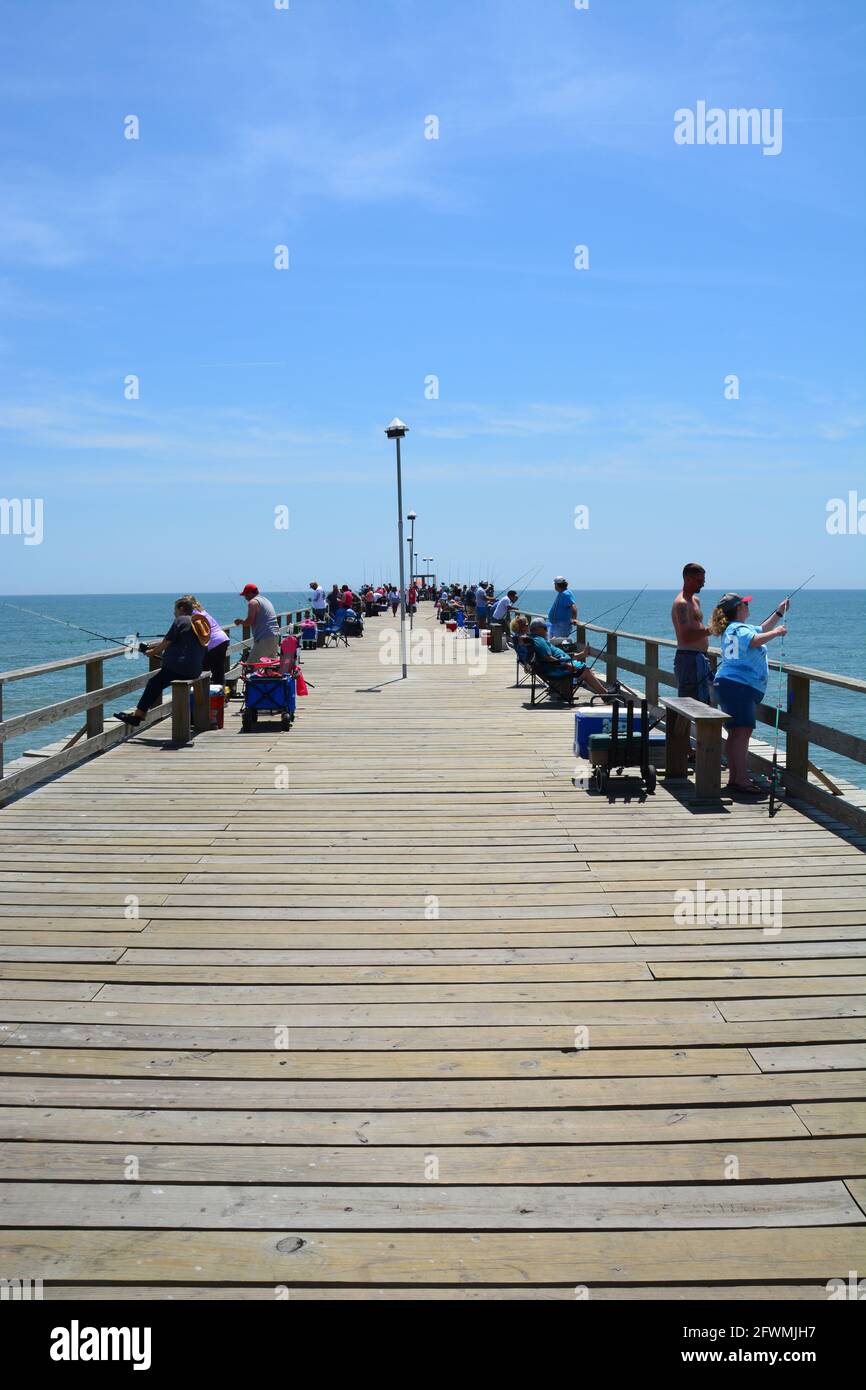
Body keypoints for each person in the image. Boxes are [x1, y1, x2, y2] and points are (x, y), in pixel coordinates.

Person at [709, 593, 788, 797]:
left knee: (736, 733)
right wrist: (778, 632)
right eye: (745, 603)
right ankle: (741, 780)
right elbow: (755, 640)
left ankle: (735, 778)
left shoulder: (734, 628)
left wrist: (779, 612)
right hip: (739, 686)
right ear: (738, 608)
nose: (747, 605)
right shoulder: (739, 629)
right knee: (742, 733)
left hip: (730, 686)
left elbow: (761, 629)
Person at [116, 598, 205, 726]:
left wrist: (151, 653)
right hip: (195, 669)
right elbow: (172, 641)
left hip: (180, 669)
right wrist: (153, 649)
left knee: (154, 683)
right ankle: (141, 713)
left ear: (181, 609)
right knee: (158, 682)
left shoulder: (180, 620)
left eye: (174, 609)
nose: (173, 612)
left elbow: (167, 641)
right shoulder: (195, 622)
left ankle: (139, 715)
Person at [527, 617, 611, 698]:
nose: (547, 630)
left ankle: (605, 692)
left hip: (555, 666)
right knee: (586, 671)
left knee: (584, 668)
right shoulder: (539, 641)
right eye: (545, 628)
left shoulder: (536, 639)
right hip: (556, 669)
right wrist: (567, 665)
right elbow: (548, 658)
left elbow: (550, 657)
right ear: (536, 629)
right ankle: (606, 694)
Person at [672, 563, 713, 703]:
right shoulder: (681, 604)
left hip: (701, 658)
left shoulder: (695, 600)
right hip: (688, 660)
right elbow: (686, 636)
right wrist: (711, 630)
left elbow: (696, 627)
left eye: (703, 581)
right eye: (699, 581)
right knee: (690, 704)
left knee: (704, 701)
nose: (702, 584)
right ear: (688, 579)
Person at [181, 595, 230, 685]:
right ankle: (220, 695)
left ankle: (204, 696)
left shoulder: (193, 615)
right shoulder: (202, 611)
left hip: (213, 643)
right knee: (218, 671)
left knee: (204, 670)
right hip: (222, 639)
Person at [234, 583, 279, 660]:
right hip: (275, 636)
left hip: (264, 638)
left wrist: (240, 621)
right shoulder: (266, 600)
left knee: (251, 667)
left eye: (246, 595)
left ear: (250, 593)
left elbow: (249, 622)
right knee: (269, 667)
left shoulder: (253, 602)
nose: (245, 598)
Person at [548, 577, 577, 642]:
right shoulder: (562, 593)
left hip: (561, 626)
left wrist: (574, 619)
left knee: (557, 643)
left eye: (555, 584)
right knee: (552, 642)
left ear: (558, 585)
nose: (554, 586)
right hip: (556, 625)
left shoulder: (566, 594)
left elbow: (573, 606)